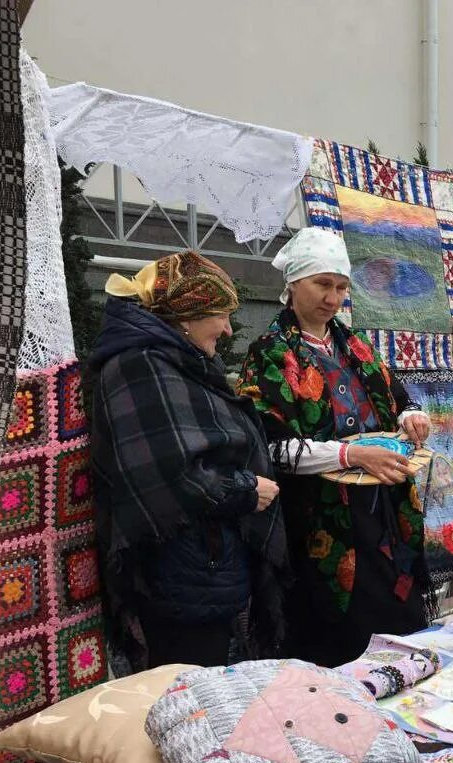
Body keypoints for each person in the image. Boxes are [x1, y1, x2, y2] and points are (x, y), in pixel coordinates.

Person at [239, 228, 433, 667]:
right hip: (319, 522)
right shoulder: (270, 355)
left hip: (380, 508)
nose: (333, 298)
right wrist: (350, 455)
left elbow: (400, 399)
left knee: (396, 618)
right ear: (292, 285)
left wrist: (410, 418)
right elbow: (273, 450)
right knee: (339, 636)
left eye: (341, 287)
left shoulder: (356, 346)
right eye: (322, 284)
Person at [89, 251, 288, 674]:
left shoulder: (172, 360)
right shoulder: (139, 365)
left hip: (201, 564)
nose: (229, 328)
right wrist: (249, 491)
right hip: (177, 572)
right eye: (221, 314)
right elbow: (170, 477)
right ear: (187, 313)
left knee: (206, 682)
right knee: (185, 690)